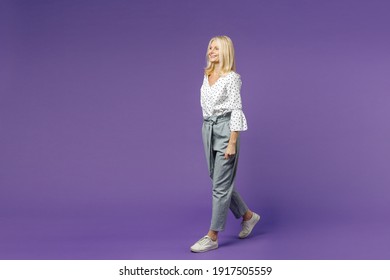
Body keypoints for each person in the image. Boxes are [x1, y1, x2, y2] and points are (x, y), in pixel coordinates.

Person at [190, 35, 260, 253]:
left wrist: (232, 142)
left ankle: (212, 236)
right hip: (208, 129)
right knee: (218, 180)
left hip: (225, 130)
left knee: (219, 187)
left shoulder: (232, 78)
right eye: (210, 47)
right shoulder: (207, 74)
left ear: (226, 52)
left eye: (216, 48)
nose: (211, 51)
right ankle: (248, 216)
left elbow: (237, 110)